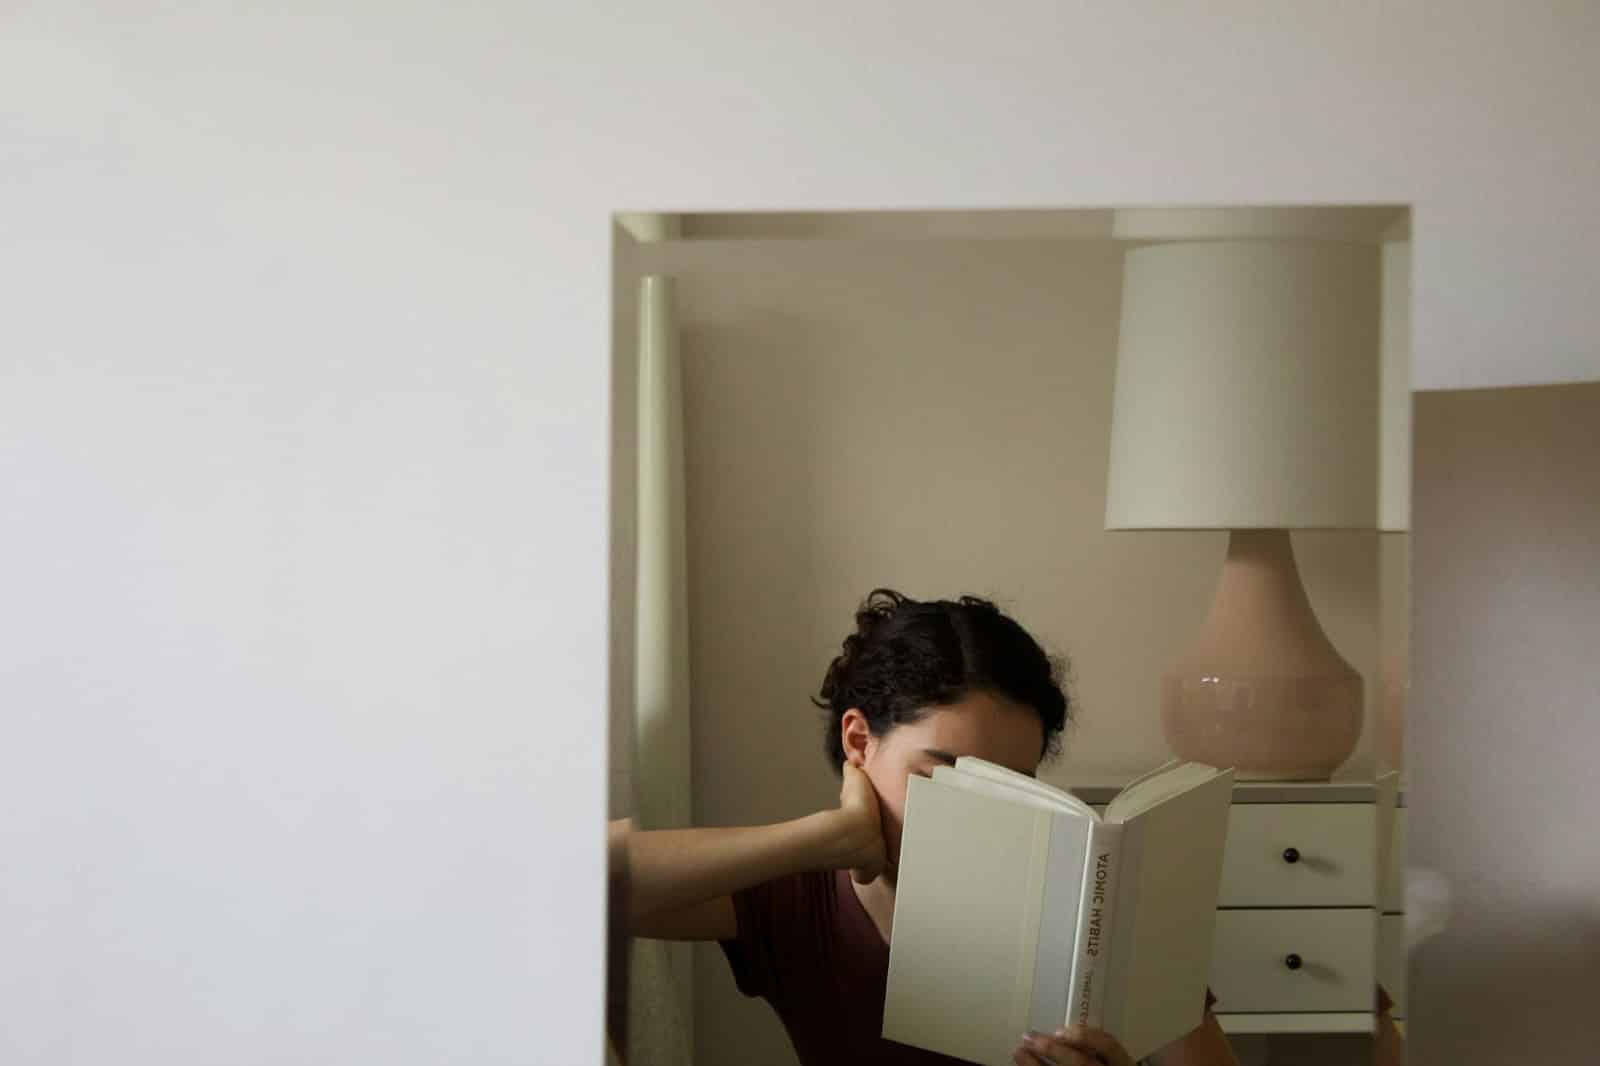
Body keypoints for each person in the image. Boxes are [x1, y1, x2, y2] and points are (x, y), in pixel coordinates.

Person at [623, 589, 1238, 1066]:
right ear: (859, 741)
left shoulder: (1089, 914)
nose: (986, 816)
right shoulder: (797, 897)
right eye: (944, 775)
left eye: (1014, 784)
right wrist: (836, 836)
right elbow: (560, 880)